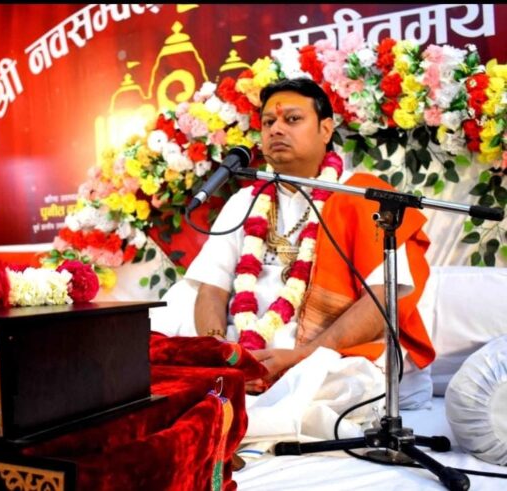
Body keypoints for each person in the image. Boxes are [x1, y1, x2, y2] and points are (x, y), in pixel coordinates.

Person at [184, 78, 434, 393]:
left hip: (327, 360)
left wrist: (300, 357)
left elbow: (381, 303)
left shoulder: (365, 197)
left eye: (292, 119)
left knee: (321, 393)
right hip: (240, 357)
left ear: (326, 130)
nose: (276, 129)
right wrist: (223, 354)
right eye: (268, 122)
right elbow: (212, 290)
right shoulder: (244, 202)